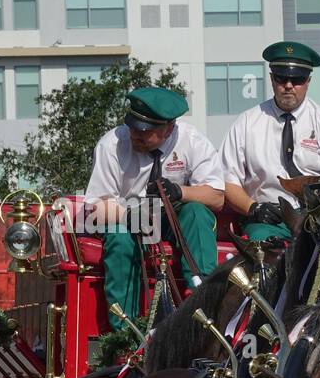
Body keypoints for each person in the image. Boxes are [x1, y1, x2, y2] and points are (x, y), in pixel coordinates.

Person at [85, 86, 225, 330]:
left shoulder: (192, 141)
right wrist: (129, 214)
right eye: (133, 127)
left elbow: (216, 197)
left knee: (197, 212)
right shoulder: (111, 145)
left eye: (145, 132)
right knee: (119, 238)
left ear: (168, 129)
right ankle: (126, 333)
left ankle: (202, 301)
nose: (135, 135)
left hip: (174, 218)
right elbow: (95, 208)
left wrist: (181, 191)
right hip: (127, 219)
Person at [220, 41, 320, 242]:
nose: (289, 85)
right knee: (264, 253)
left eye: (297, 79)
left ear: (308, 81)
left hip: (317, 218)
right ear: (271, 78)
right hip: (267, 219)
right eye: (282, 78)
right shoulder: (246, 123)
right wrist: (254, 208)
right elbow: (227, 181)